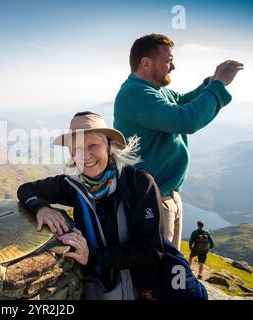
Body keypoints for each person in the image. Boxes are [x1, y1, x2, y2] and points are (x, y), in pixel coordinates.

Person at [114, 33, 243, 250]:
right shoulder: (135, 94)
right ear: (146, 63)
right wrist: (219, 83)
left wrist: (211, 83)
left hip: (166, 195)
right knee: (160, 269)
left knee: (171, 263)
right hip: (153, 202)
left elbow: (182, 102)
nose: (172, 67)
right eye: (168, 61)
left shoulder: (155, 90)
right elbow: (186, 119)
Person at [17, 112, 163, 300]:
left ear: (109, 146)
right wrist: (41, 208)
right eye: (76, 148)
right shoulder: (73, 185)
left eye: (93, 145)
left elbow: (151, 251)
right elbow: (25, 189)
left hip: (137, 287)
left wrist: (92, 256)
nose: (85, 155)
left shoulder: (138, 183)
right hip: (96, 285)